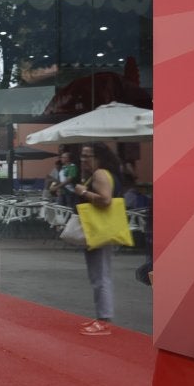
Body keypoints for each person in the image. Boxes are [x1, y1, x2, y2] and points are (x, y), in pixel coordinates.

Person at [74, 143, 123, 336]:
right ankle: (101, 317)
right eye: (82, 156)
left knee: (100, 276)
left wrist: (83, 192)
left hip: (99, 230)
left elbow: (105, 200)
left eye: (88, 156)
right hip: (100, 229)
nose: (83, 160)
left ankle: (104, 320)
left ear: (99, 157)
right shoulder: (104, 173)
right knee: (99, 275)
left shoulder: (100, 174)